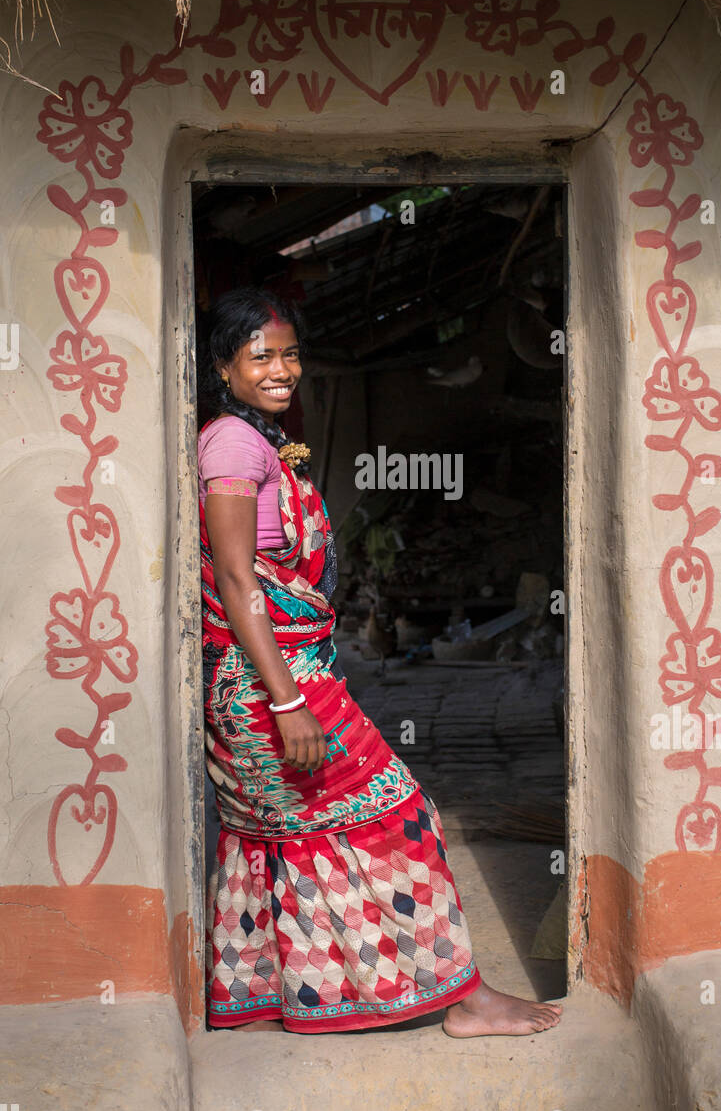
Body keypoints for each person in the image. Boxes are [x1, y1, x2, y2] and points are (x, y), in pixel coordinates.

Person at [198, 285, 563, 1038]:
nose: (282, 368)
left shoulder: (260, 439)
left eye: (291, 353)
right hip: (271, 685)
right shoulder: (231, 445)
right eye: (260, 355)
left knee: (280, 833)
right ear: (222, 367)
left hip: (281, 675)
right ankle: (466, 1000)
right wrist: (289, 701)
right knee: (403, 816)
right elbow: (238, 580)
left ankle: (264, 995)